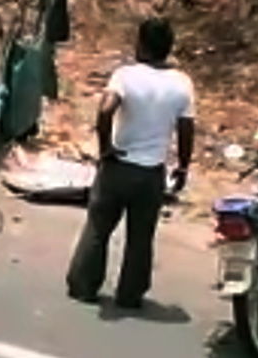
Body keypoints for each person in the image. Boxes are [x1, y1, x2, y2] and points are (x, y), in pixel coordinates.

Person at [66, 17, 195, 309]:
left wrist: (105, 149)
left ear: (142, 44)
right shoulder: (182, 84)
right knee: (141, 238)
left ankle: (83, 286)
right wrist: (183, 167)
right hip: (151, 173)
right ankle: (130, 294)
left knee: (98, 228)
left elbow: (105, 111)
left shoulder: (125, 76)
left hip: (118, 166)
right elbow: (186, 129)